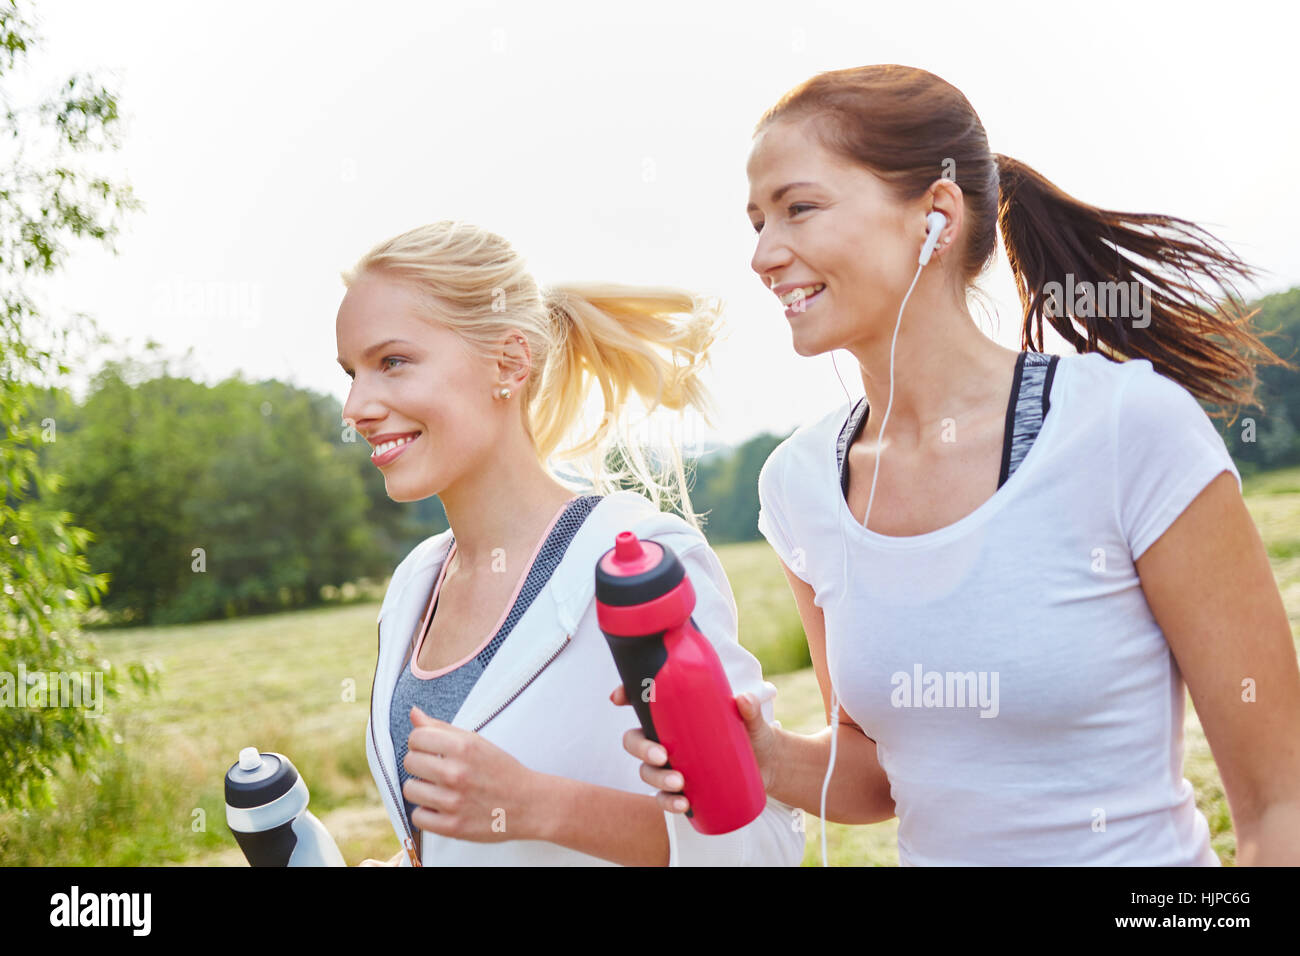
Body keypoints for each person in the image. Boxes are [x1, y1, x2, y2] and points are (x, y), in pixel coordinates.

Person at [619, 64, 1300, 865]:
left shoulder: (1124, 429)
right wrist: (759, 752)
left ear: (936, 216)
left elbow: (1278, 806)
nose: (765, 254)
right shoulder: (801, 484)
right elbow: (877, 774)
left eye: (799, 208)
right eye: (757, 221)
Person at [337, 220, 804, 866]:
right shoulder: (415, 585)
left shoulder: (634, 560)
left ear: (509, 362)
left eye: (392, 362)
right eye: (351, 373)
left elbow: (763, 845)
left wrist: (536, 805)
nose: (356, 406)